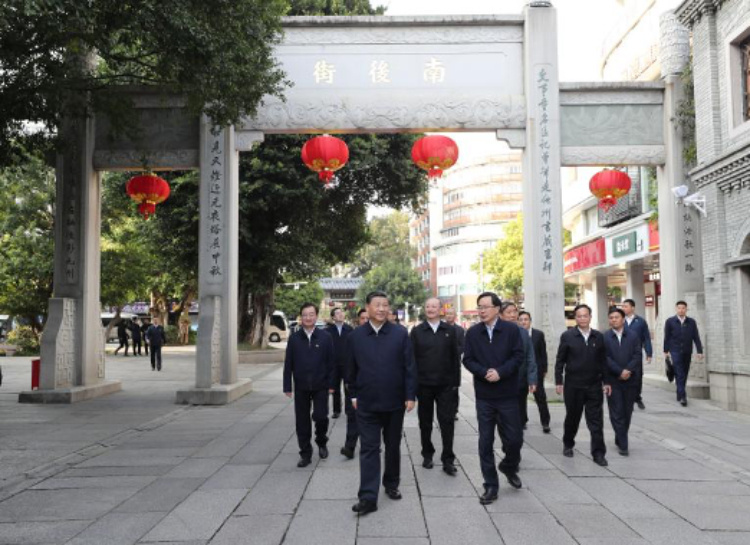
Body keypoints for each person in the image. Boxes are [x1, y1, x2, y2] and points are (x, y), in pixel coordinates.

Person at [347, 291, 416, 516]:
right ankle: (368, 497)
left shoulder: (400, 333)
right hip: (366, 403)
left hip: (394, 402)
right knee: (369, 448)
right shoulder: (356, 336)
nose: (381, 309)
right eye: (377, 305)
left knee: (393, 445)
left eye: (385, 305)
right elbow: (350, 368)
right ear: (367, 307)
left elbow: (409, 366)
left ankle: (391, 483)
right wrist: (353, 395)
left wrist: (410, 395)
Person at [463, 292, 524, 505]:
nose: (482, 311)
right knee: (485, 441)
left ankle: (508, 466)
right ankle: (490, 485)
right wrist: (483, 372)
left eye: (486, 307)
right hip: (485, 396)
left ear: (497, 309)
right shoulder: (473, 332)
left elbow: (518, 356)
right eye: (479, 307)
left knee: (514, 440)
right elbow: (467, 359)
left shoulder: (511, 330)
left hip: (507, 394)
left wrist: (500, 372)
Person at [410, 297, 461, 476]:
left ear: (440, 309)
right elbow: (411, 360)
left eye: (434, 306)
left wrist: (456, 383)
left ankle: (448, 459)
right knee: (425, 423)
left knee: (447, 422)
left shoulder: (450, 330)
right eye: (427, 306)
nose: (430, 309)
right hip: (424, 385)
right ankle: (427, 454)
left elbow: (455, 358)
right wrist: (412, 387)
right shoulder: (417, 331)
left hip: (445, 386)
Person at [555, 304, 610, 467]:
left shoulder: (598, 337)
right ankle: (568, 443)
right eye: (579, 316)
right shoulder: (567, 336)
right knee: (573, 417)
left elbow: (603, 361)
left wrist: (606, 382)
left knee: (596, 421)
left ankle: (598, 453)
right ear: (575, 318)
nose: (582, 319)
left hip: (594, 385)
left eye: (585, 315)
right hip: (573, 385)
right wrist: (559, 381)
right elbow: (560, 361)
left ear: (590, 317)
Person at [283, 303, 335, 468]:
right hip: (301, 386)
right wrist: (287, 386)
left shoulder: (325, 337)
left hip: (321, 385)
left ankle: (321, 440)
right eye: (305, 315)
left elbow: (331, 363)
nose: (308, 317)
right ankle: (305, 453)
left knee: (321, 416)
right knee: (302, 421)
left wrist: (332, 383)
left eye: (311, 314)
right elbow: (288, 363)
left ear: (316, 316)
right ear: (301, 317)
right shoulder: (294, 338)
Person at [604, 307, 642, 456]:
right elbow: (605, 358)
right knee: (616, 412)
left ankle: (620, 436)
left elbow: (637, 355)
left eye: (617, 317)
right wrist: (619, 372)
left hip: (631, 380)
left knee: (627, 412)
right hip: (613, 380)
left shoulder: (633, 336)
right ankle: (624, 445)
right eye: (611, 317)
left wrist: (628, 370)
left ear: (623, 319)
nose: (614, 320)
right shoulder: (605, 337)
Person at [499, 302, 537, 433]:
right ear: (501, 315)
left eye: (514, 312)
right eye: (508, 312)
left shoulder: (523, 333)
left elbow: (530, 357)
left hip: (520, 379)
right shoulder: (496, 332)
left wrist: (532, 379)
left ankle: (519, 427)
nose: (512, 315)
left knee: (520, 407)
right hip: (501, 380)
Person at [663, 300, 703, 407]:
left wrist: (699, 351)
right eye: (679, 308)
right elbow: (667, 337)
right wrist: (665, 350)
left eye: (683, 308)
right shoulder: (670, 321)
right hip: (675, 351)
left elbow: (696, 337)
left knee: (684, 373)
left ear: (686, 309)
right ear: (676, 309)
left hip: (687, 351)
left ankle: (679, 392)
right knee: (679, 372)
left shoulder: (691, 322)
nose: (681, 310)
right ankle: (683, 397)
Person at [517, 311, 551, 433]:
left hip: (536, 371)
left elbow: (543, 353)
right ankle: (522, 421)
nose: (523, 322)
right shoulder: (516, 334)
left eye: (526, 319)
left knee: (540, 397)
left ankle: (545, 422)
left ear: (530, 321)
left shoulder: (538, 334)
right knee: (521, 398)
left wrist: (544, 368)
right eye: (521, 320)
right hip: (521, 372)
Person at [621, 299, 652, 410]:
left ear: (632, 308)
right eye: (623, 306)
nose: (624, 308)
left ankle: (637, 397)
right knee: (624, 374)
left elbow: (646, 338)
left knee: (637, 376)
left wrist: (649, 353)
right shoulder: (620, 320)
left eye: (626, 306)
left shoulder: (641, 322)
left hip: (636, 353)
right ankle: (626, 398)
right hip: (622, 352)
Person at [326, 307, 353, 419]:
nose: (341, 314)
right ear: (333, 317)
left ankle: (349, 410)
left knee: (348, 388)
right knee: (335, 388)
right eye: (337, 313)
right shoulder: (328, 331)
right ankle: (336, 410)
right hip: (333, 365)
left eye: (342, 312)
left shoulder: (349, 329)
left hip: (347, 364)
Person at [444, 307, 465, 421]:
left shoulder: (460, 330)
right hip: (441, 365)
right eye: (447, 314)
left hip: (455, 364)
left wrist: (452, 351)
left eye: (451, 314)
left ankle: (454, 411)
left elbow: (462, 346)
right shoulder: (441, 328)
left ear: (455, 316)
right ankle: (445, 411)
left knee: (454, 390)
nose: (449, 316)